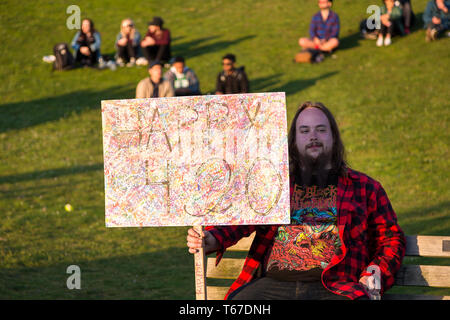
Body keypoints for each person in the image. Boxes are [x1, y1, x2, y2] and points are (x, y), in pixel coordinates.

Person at [187, 101, 406, 300]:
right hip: (273, 285)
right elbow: (240, 220)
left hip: (335, 287)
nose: (313, 136)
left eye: (321, 130)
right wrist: (210, 238)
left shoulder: (365, 187)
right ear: (293, 140)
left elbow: (391, 239)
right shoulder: (275, 184)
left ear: (333, 137)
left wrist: (376, 271)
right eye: (305, 131)